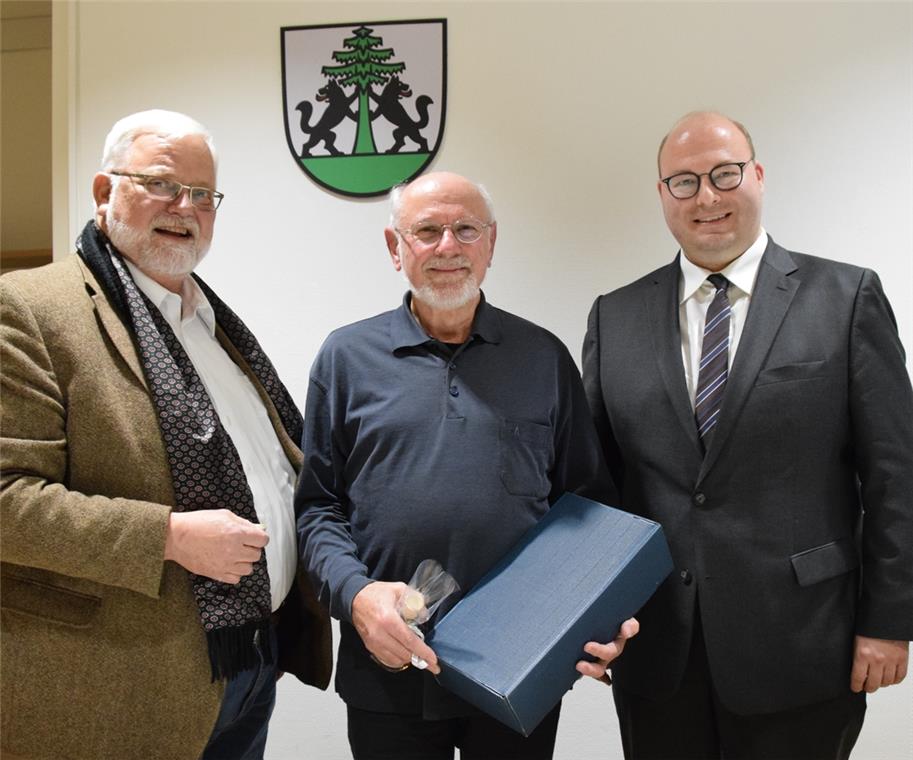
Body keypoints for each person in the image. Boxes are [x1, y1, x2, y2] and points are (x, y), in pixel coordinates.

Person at [0, 109, 332, 760]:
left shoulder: (211, 322)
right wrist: (169, 538)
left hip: (246, 658)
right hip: (114, 684)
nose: (185, 207)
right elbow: (8, 501)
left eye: (204, 195)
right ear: (104, 192)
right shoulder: (31, 309)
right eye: (160, 183)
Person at [582, 111, 913, 759]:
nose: (705, 197)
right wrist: (584, 619)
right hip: (658, 650)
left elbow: (895, 477)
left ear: (756, 176)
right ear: (660, 195)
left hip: (803, 642)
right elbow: (601, 490)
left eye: (723, 174)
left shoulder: (844, 298)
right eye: (682, 182)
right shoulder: (613, 316)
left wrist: (889, 621)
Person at [295, 171, 638, 760]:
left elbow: (588, 513)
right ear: (394, 246)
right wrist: (355, 597)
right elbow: (318, 510)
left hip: (518, 665)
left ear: (491, 243)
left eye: (465, 229)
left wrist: (602, 615)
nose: (447, 247)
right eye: (426, 231)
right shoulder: (345, 358)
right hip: (387, 663)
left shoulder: (543, 357)